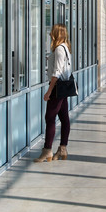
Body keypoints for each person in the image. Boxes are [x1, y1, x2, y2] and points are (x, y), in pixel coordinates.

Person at [35, 24, 72, 163]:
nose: (50, 34)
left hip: (57, 88)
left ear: (56, 33)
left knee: (49, 118)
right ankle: (62, 149)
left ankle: (47, 151)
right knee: (64, 118)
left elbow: (56, 73)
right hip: (64, 88)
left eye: (52, 32)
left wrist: (48, 92)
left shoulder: (59, 49)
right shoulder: (66, 48)